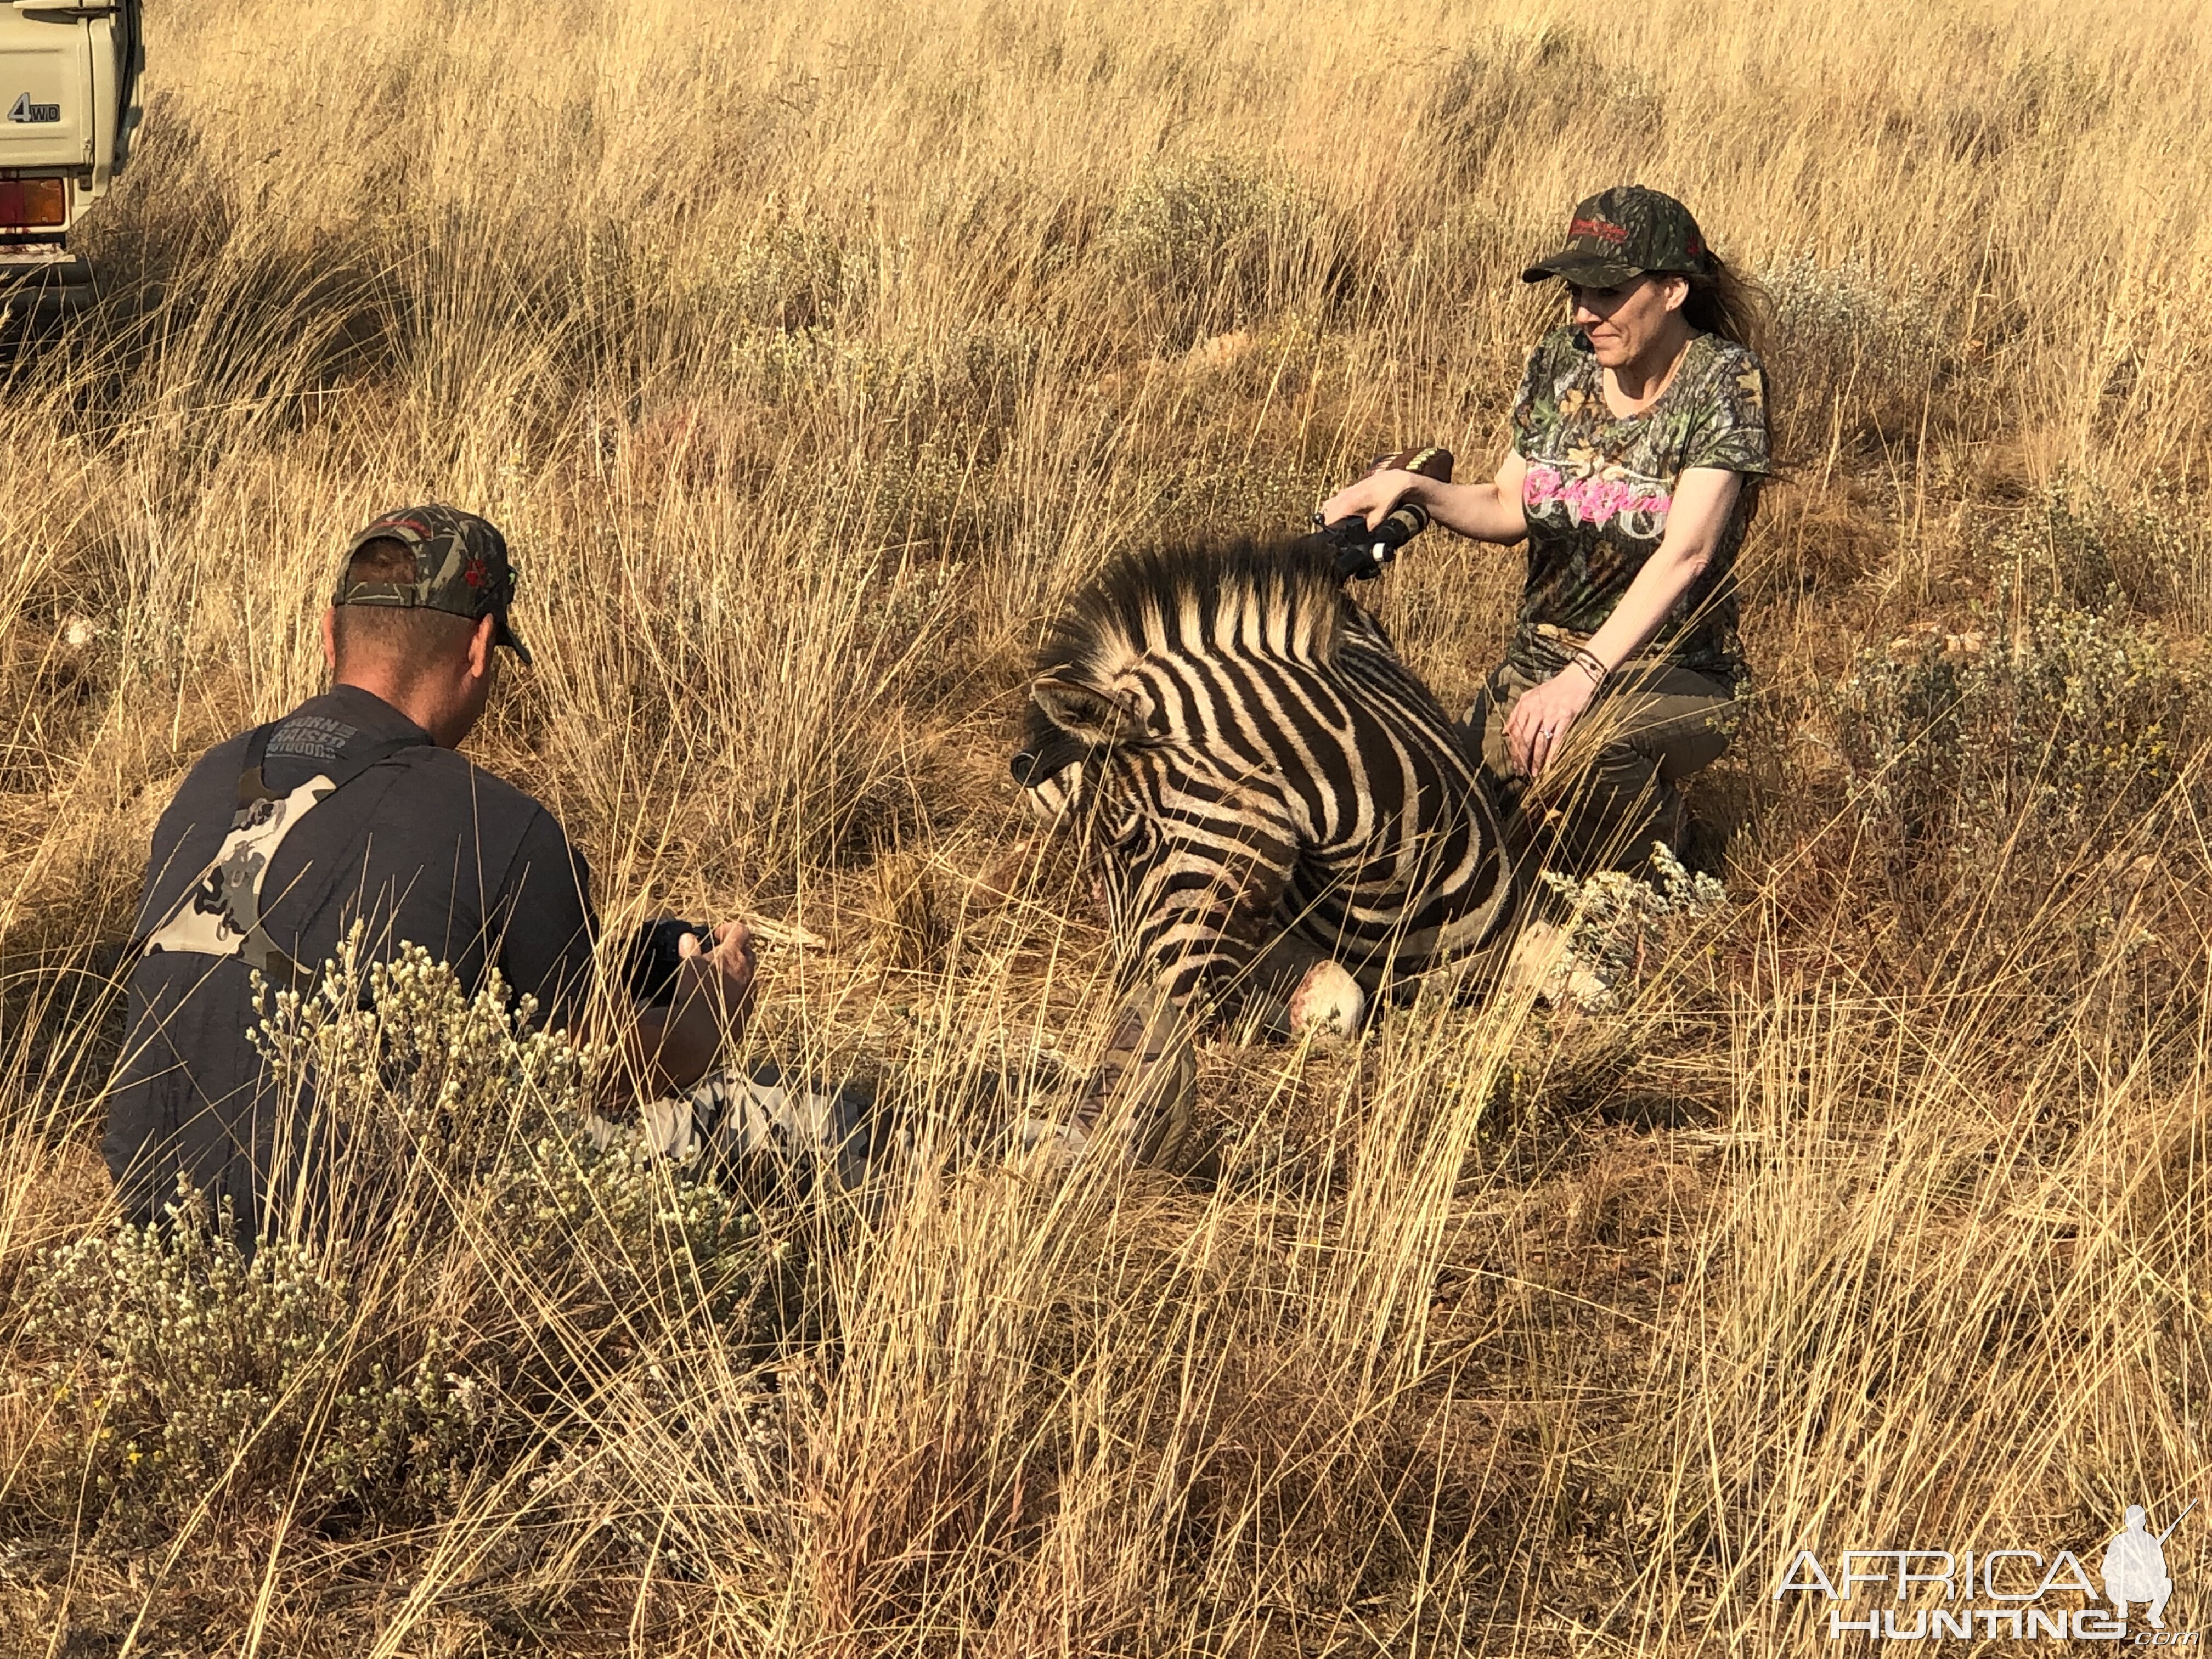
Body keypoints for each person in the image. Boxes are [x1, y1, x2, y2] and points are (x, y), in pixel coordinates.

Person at [104, 506, 763, 1240]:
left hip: (154, 1216)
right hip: (362, 1246)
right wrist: (708, 1017)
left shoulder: (210, 776)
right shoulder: (505, 827)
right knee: (779, 1124)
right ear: (481, 647)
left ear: (330, 634)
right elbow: (592, 1082)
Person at [1321, 184, 1771, 872]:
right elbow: (1508, 507)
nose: (1584, 312)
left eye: (1607, 293)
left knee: (1589, 747)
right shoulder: (1561, 362)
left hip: (1676, 673)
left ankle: (1667, 849)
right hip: (1537, 662)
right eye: (1575, 292)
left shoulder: (1724, 380)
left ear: (1674, 290)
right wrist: (1416, 489)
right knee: (1447, 826)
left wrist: (1581, 678)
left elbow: (1688, 553)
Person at [2101, 1505, 2174, 1628]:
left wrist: (2149, 1570)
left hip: (2146, 1589)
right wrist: (2125, 1573)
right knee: (2110, 1583)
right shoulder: (2119, 1541)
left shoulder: (2151, 1541)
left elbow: (2163, 1570)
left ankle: (2154, 1615)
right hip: (2125, 1589)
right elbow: (2106, 1570)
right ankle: (2122, 1608)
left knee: (2167, 1583)